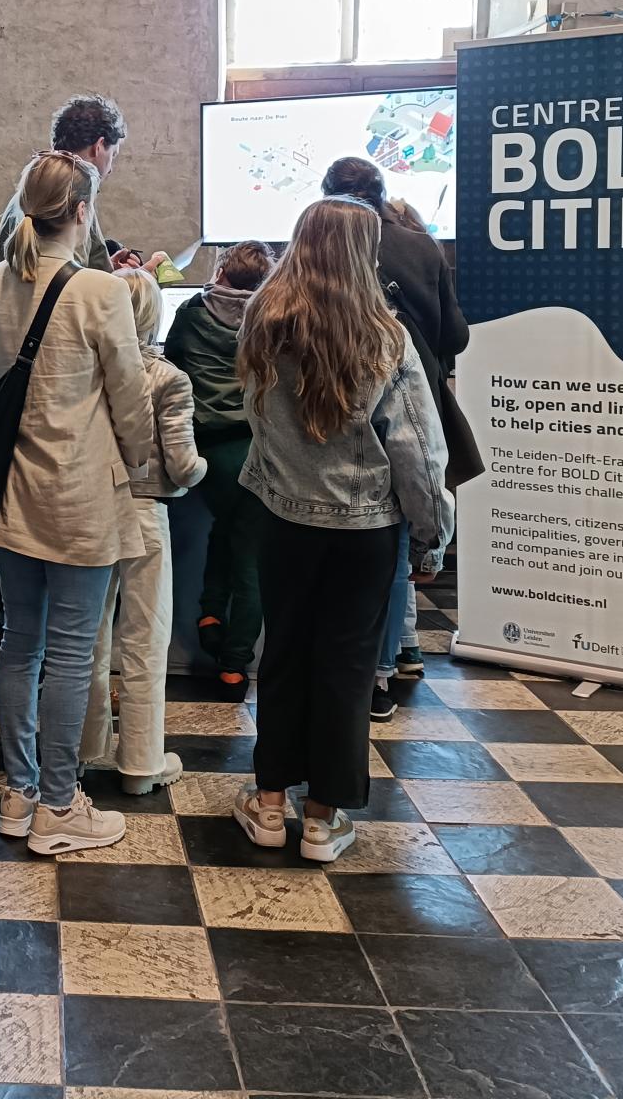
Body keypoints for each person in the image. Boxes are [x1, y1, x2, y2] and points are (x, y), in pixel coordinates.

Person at [229, 197, 451, 865]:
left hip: (282, 519)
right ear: (366, 254)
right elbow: (417, 448)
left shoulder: (260, 323)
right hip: (365, 529)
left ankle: (269, 806)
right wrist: (431, 533)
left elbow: (256, 420)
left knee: (285, 656)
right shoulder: (386, 337)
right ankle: (322, 821)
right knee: (348, 669)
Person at [0, 150, 154, 854]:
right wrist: (137, 458)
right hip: (78, 493)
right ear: (81, 211)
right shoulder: (99, 291)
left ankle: (18, 792)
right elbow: (130, 394)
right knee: (73, 655)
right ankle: (58, 805)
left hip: (11, 492)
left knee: (20, 643)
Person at [321, 156, 471, 718]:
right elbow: (456, 333)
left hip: (335, 413)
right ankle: (400, 651)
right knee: (399, 537)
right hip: (418, 394)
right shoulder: (422, 247)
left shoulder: (320, 250)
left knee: (368, 546)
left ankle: (381, 666)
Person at [79, 269, 205, 793]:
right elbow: (181, 464)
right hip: (148, 512)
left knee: (87, 636)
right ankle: (140, 763)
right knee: (146, 637)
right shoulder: (168, 378)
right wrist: (203, 471)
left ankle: (83, 750)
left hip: (94, 509)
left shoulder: (88, 374)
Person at [163, 239, 276, 697]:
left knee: (223, 530)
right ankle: (234, 665)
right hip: (253, 445)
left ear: (223, 269)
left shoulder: (191, 312)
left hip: (204, 447)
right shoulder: (271, 318)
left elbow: (170, 364)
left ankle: (210, 615)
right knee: (250, 555)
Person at [0, 95, 135, 269]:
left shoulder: (27, 196)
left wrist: (108, 269)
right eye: (113, 155)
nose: (111, 169)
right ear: (98, 146)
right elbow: (70, 285)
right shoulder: (74, 198)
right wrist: (136, 282)